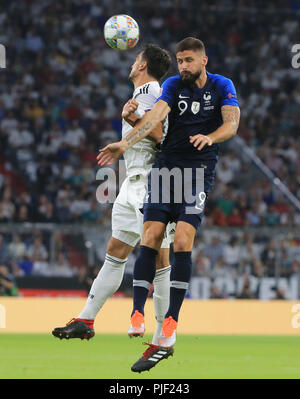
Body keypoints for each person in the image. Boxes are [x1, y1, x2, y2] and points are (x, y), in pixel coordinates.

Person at [98, 37, 240, 372]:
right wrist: (123, 143)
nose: (183, 67)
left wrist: (211, 137)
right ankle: (137, 312)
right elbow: (154, 120)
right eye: (179, 60)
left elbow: (232, 124)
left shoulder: (222, 85)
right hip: (165, 169)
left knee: (181, 241)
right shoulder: (173, 85)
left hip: (197, 173)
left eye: (189, 60)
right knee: (149, 237)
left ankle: (172, 320)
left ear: (204, 61)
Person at [52, 44, 175, 347]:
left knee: (160, 258)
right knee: (115, 252)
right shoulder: (145, 92)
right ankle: (86, 318)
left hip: (151, 183)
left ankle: (162, 337)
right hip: (132, 184)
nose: (132, 64)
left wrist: (131, 118)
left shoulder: (150, 92)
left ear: (143, 65)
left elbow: (159, 135)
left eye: (136, 60)